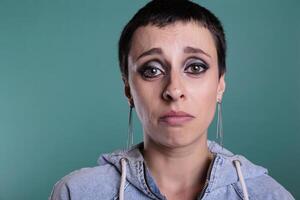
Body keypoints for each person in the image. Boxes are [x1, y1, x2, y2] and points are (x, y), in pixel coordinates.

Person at [49, 0, 295, 199]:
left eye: (196, 67)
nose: (174, 90)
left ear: (220, 84)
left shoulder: (269, 195)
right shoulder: (77, 193)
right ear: (128, 90)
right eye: (152, 70)